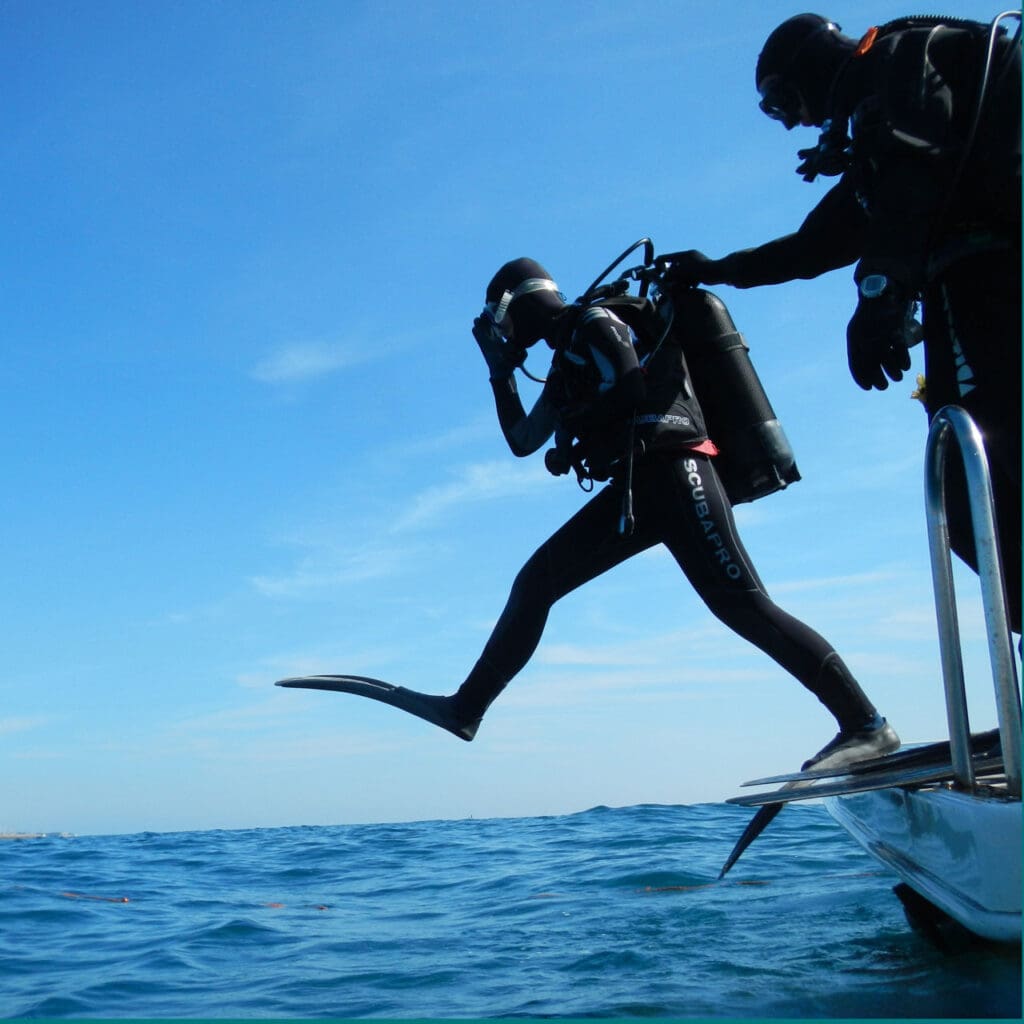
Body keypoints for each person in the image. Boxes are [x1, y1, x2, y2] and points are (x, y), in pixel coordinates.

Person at [368, 256, 899, 771]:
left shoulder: (596, 320)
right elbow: (523, 440)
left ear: (515, 305)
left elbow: (632, 385)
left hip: (678, 472)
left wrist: (581, 425)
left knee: (744, 607)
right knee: (536, 583)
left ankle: (866, 724)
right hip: (641, 489)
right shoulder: (565, 359)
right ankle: (467, 710)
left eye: (500, 321)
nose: (503, 332)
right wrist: (500, 374)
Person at [664, 12, 1022, 631]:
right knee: (972, 486)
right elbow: (815, 245)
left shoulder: (900, 68)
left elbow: (913, 183)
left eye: (783, 101)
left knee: (982, 474)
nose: (795, 121)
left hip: (992, 279)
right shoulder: (888, 125)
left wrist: (879, 293)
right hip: (975, 281)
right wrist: (717, 268)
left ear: (810, 69)